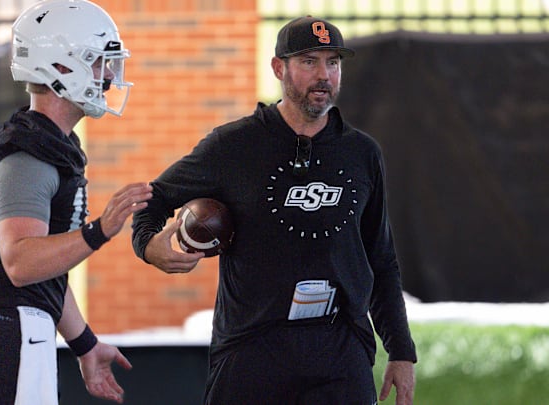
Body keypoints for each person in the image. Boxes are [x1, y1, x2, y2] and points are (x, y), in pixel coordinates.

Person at [132, 15, 417, 405]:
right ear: (278, 68)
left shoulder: (362, 153)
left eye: (332, 62)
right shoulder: (233, 145)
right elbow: (155, 197)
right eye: (309, 62)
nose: (324, 75)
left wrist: (400, 351)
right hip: (252, 349)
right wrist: (148, 245)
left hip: (340, 350)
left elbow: (381, 260)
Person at [0, 1, 153, 404]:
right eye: (100, 62)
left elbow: (45, 272)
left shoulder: (45, 144)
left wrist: (85, 344)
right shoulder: (30, 154)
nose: (109, 76)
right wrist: (100, 230)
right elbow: (22, 263)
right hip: (4, 331)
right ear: (63, 67)